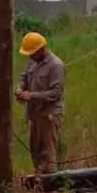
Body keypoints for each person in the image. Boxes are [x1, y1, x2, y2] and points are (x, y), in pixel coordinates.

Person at [16, 32, 64, 174]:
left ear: (42, 49)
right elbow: (24, 76)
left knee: (47, 153)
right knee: (35, 150)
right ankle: (40, 182)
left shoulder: (56, 65)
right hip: (35, 114)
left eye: (32, 53)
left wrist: (30, 96)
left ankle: (50, 187)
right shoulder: (33, 61)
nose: (29, 57)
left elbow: (56, 93)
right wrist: (20, 88)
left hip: (48, 115)